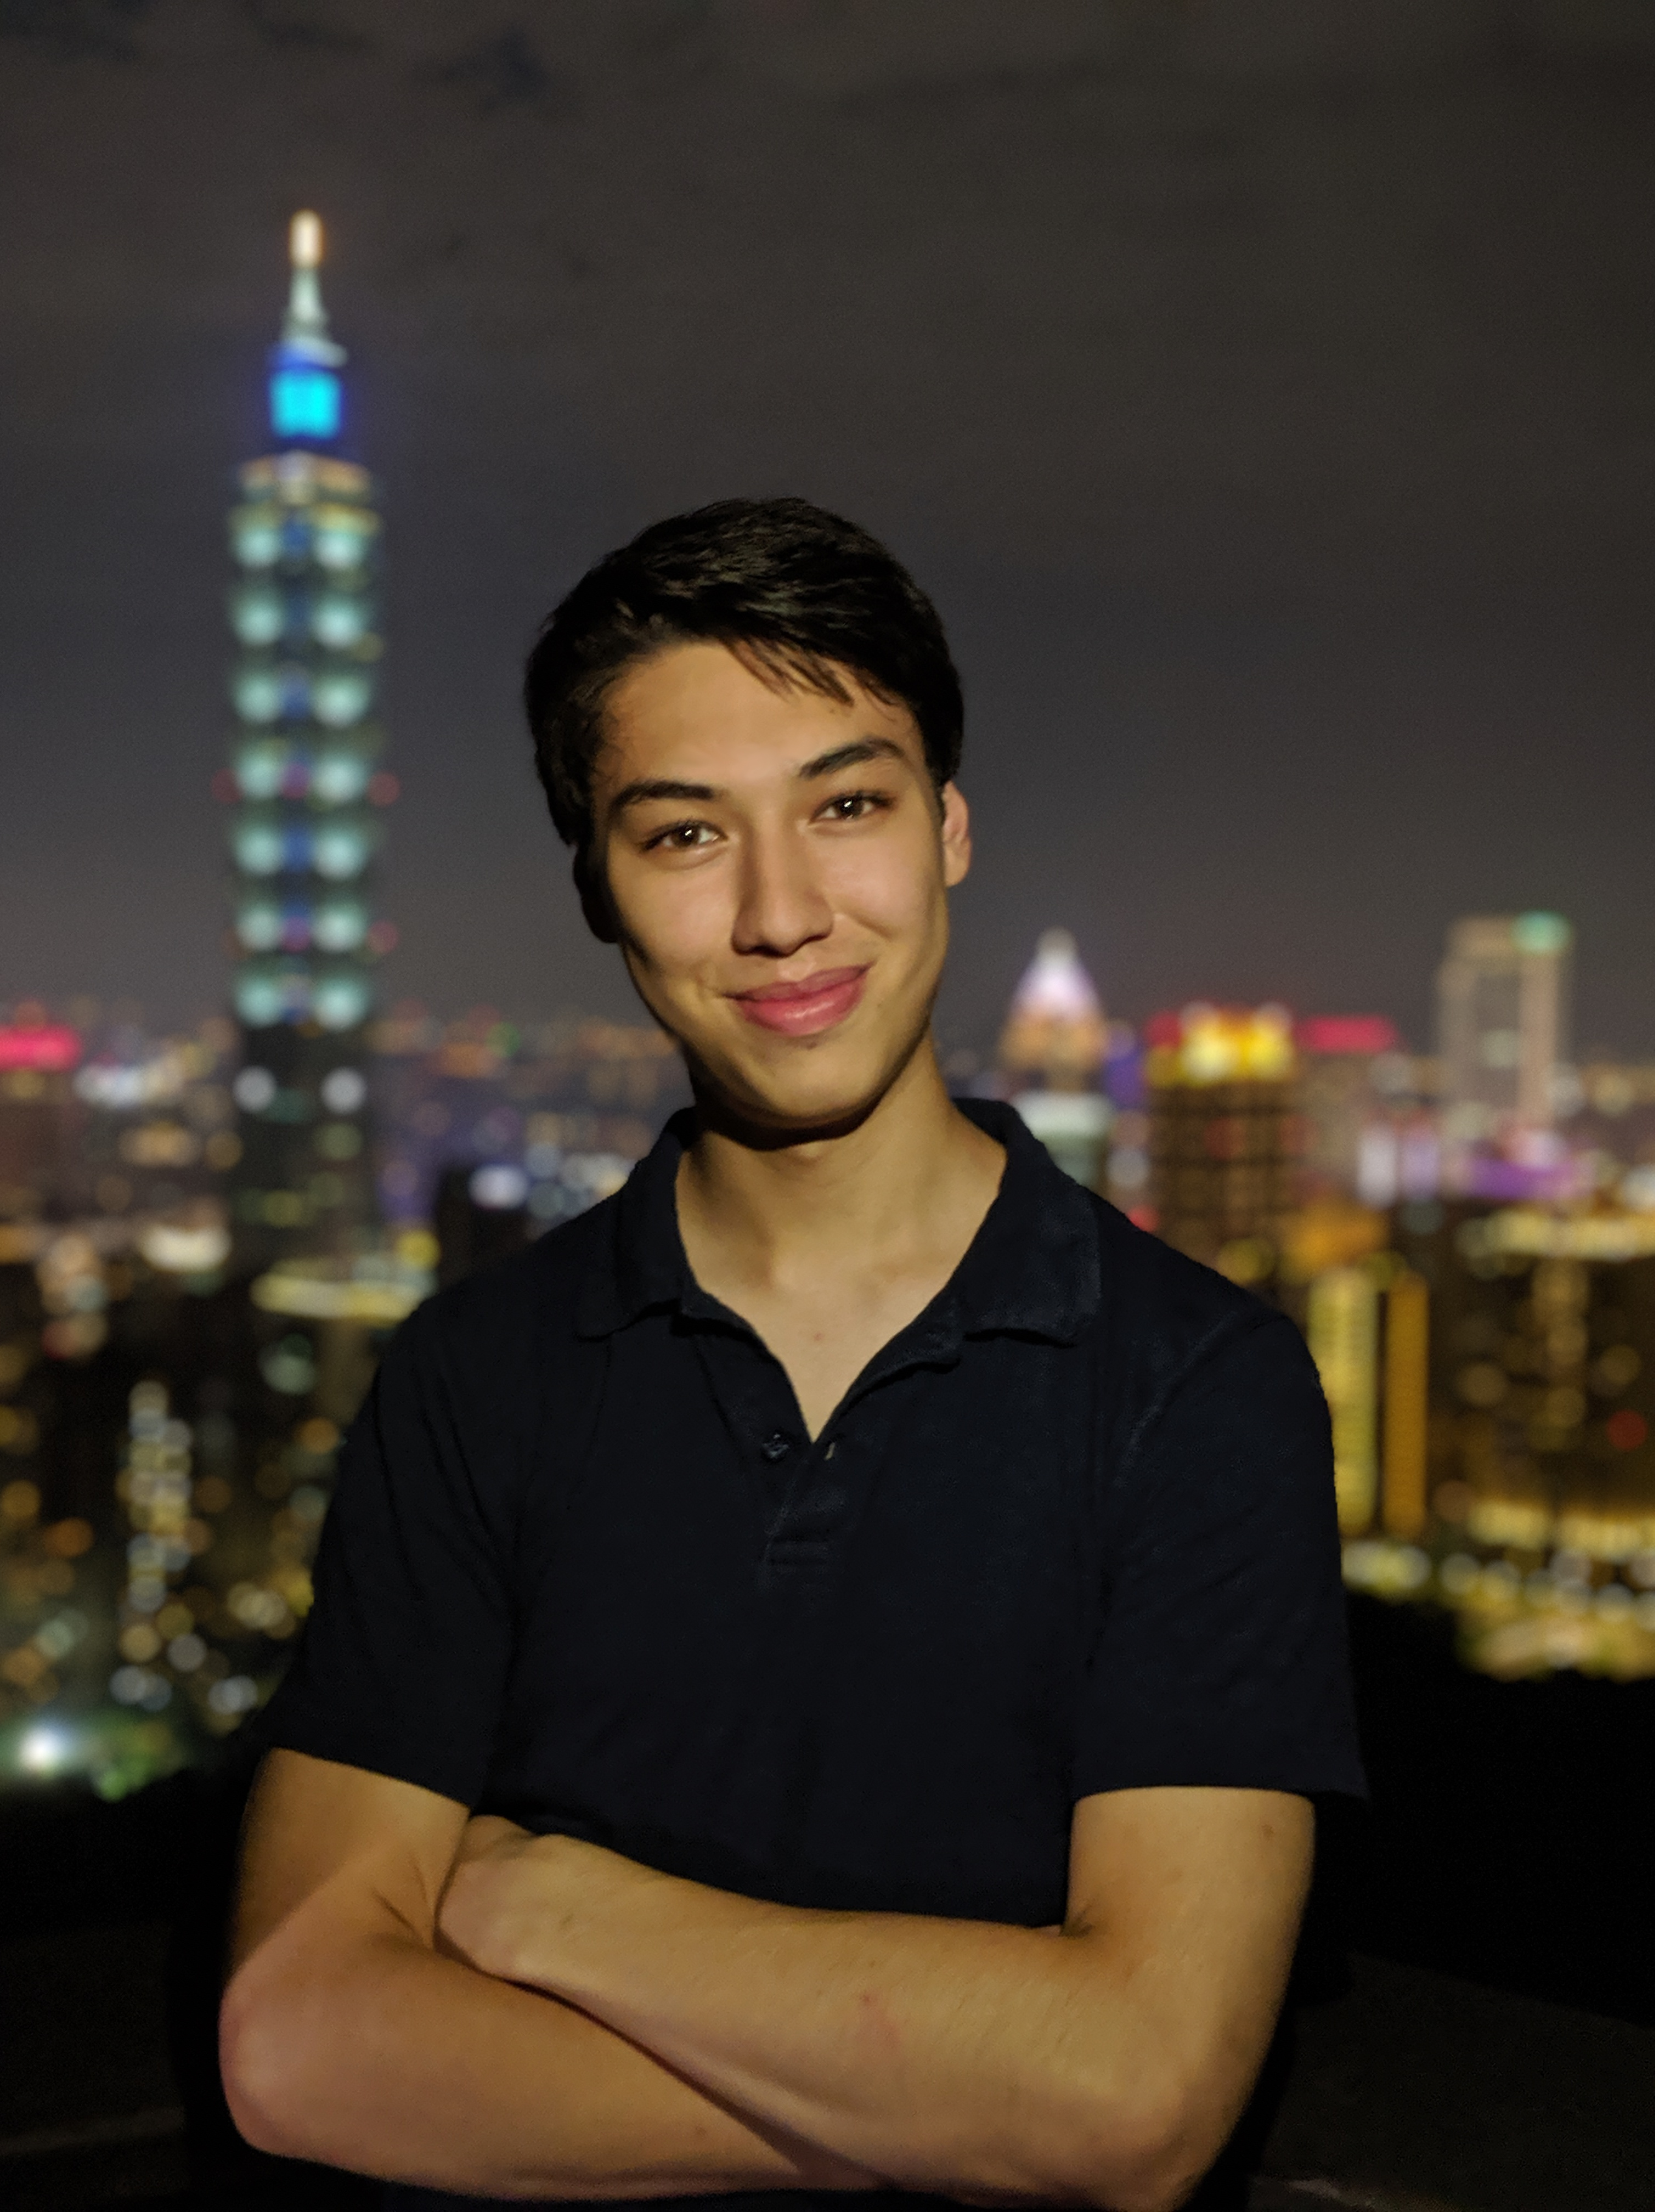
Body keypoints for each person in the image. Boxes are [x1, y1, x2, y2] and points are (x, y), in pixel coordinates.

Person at [221, 498, 1364, 2212]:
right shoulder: (477, 1374)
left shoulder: (1200, 1385)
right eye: (686, 834)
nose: (782, 914)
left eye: (846, 806)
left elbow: (1139, 2104)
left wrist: (558, 1905)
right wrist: (969, 2107)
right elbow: (300, 2044)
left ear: (948, 826)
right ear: (600, 887)